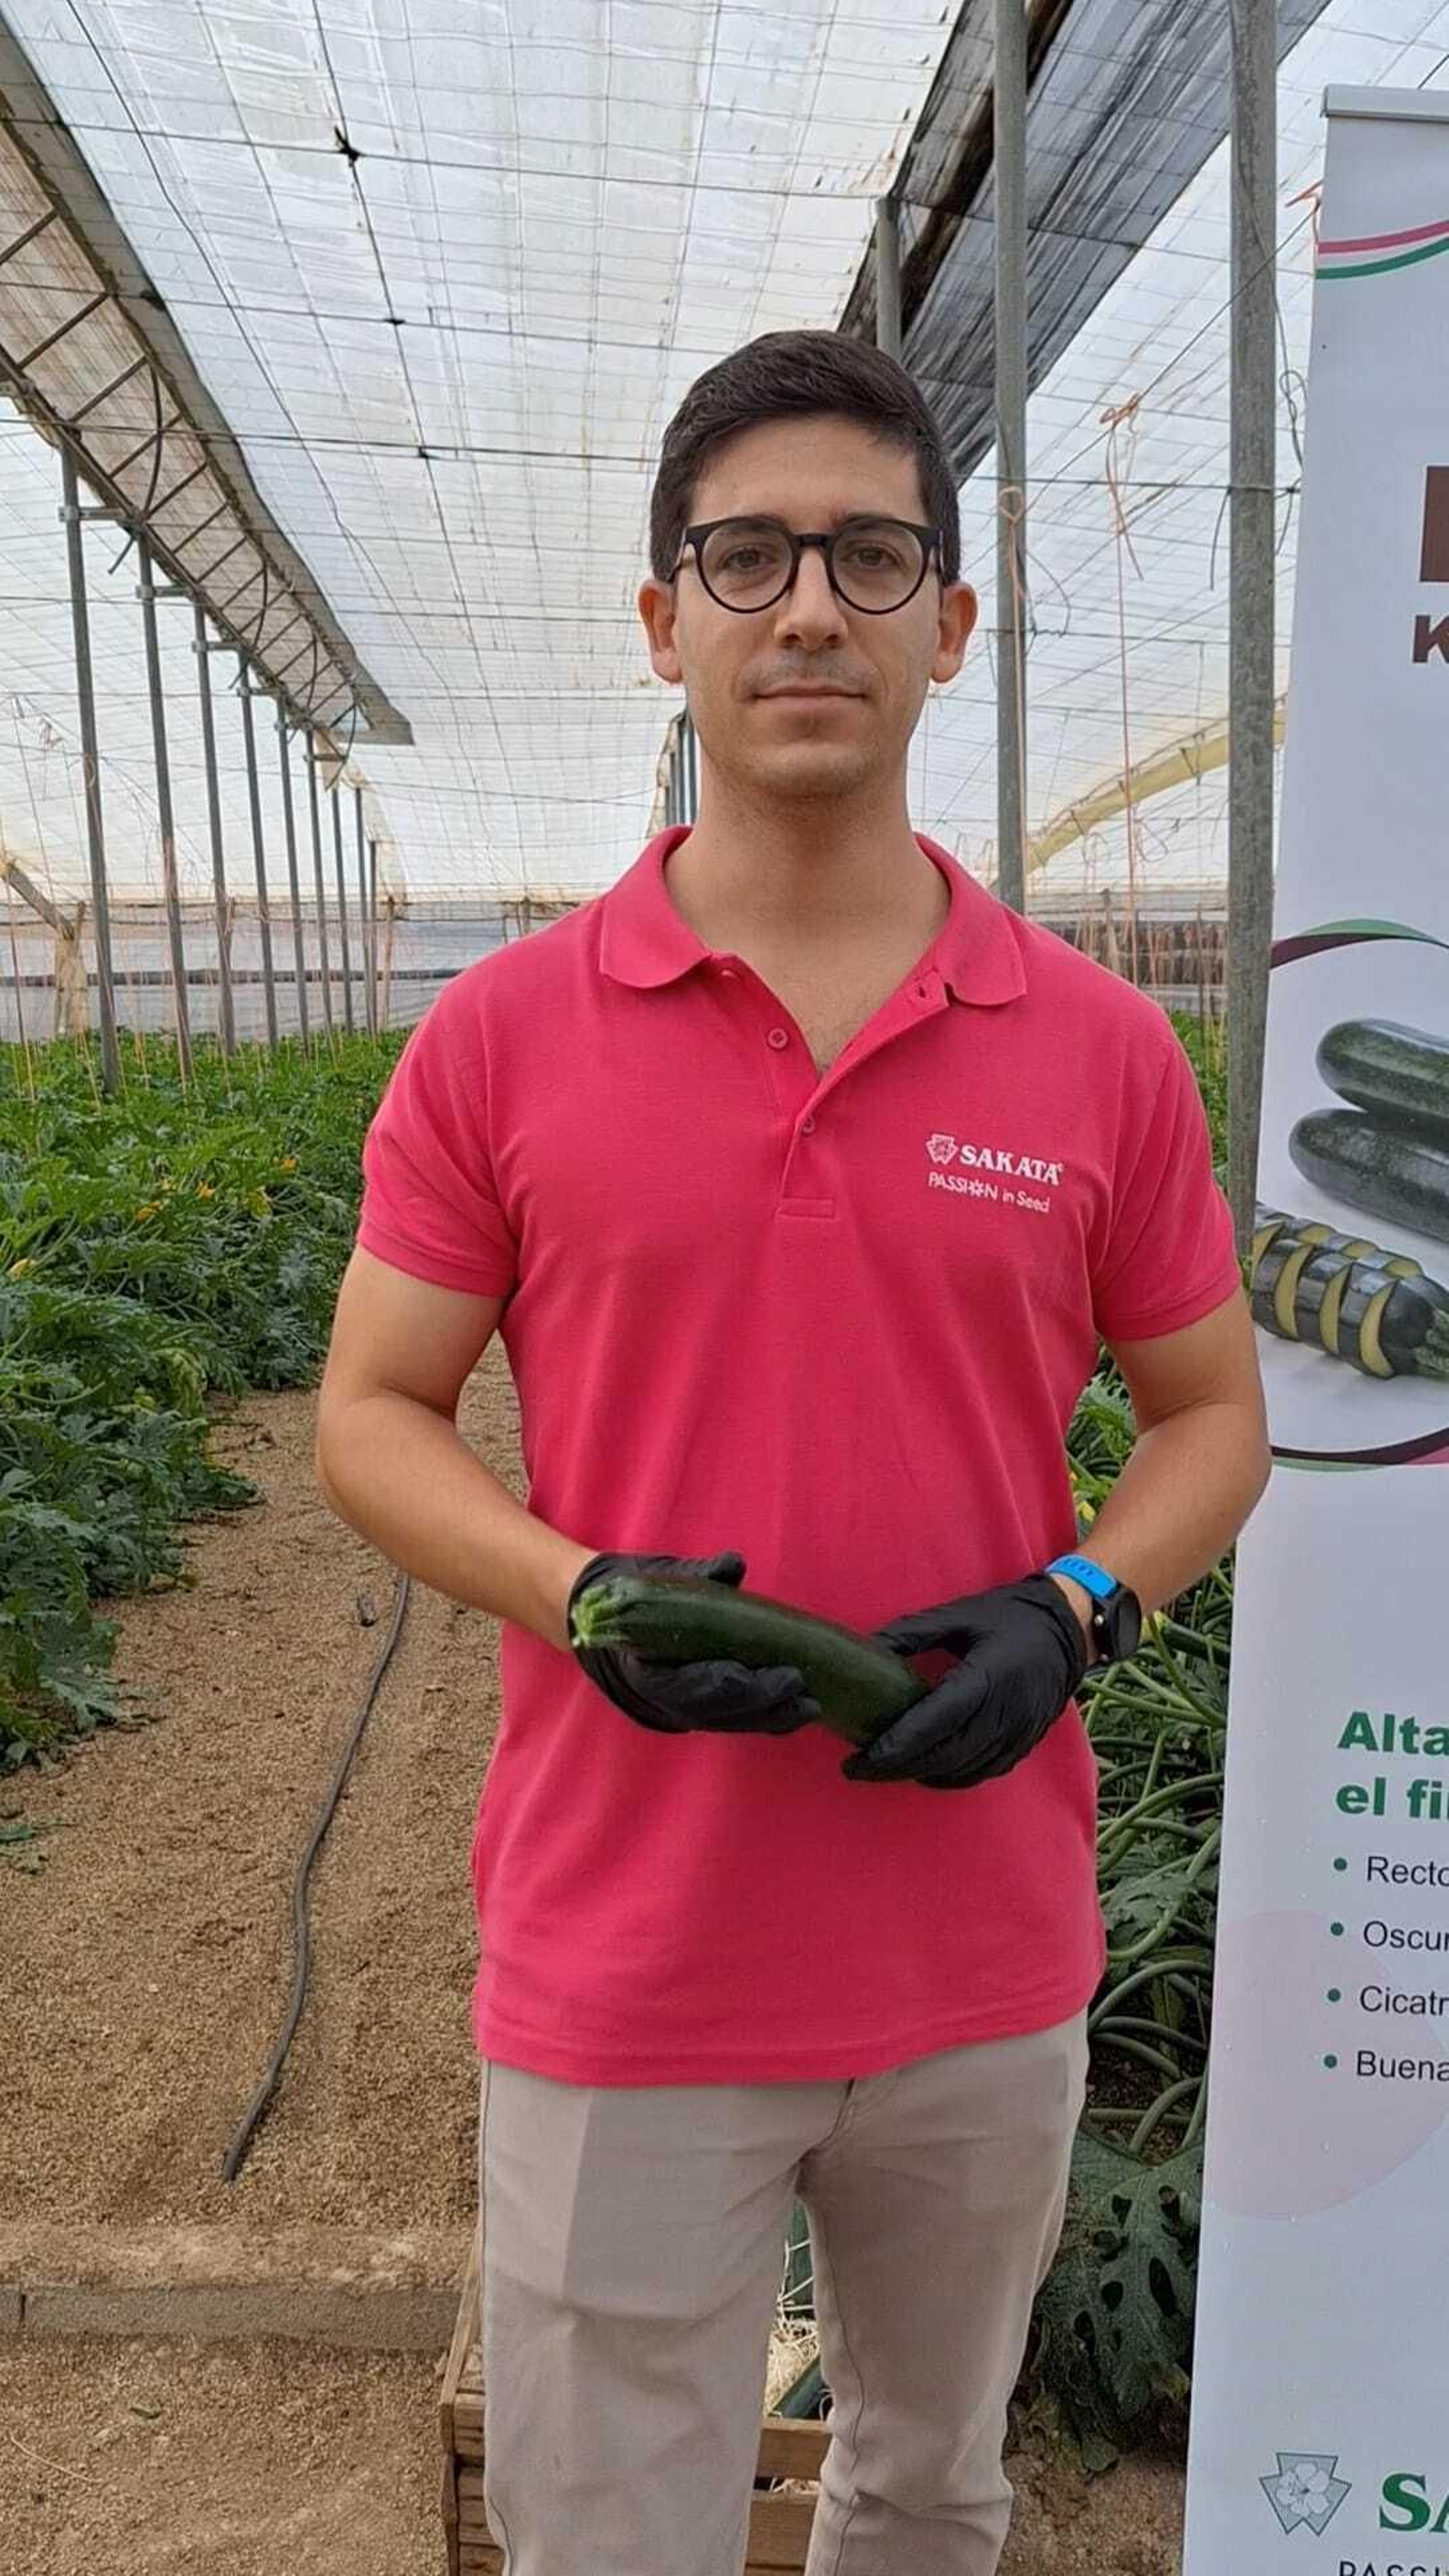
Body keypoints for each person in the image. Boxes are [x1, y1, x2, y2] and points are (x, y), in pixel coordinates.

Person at [315, 329, 1269, 2576]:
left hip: (979, 1948)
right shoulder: (502, 1035)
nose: (809, 608)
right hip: (626, 1951)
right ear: (667, 624)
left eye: (868, 556)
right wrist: (573, 1594)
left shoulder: (1098, 1049)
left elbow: (1212, 1414)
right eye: (746, 559)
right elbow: (367, 1413)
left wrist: (1079, 1607)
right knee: (604, 2527)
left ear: (950, 621)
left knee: (927, 2489)